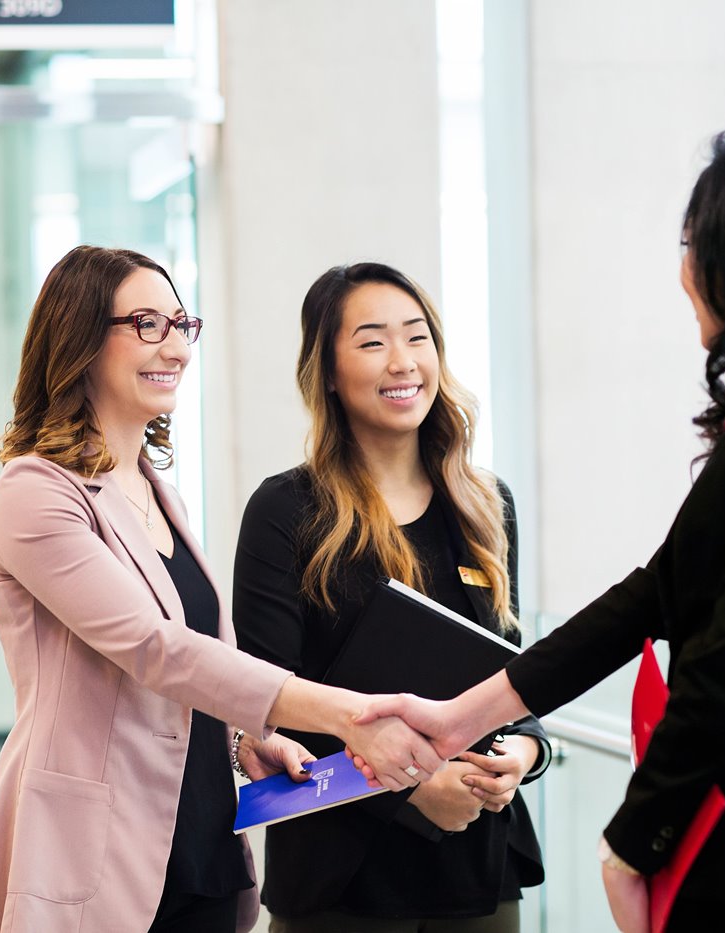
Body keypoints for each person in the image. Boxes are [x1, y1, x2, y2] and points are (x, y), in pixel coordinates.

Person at [356, 131, 725, 933]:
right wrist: (469, 713)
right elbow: (654, 593)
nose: (684, 273)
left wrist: (635, 838)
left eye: (693, 245)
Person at [0, 245, 445, 933]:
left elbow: (185, 665)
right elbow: (152, 647)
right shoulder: (35, 494)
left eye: (180, 324)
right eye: (146, 324)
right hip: (96, 850)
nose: (175, 347)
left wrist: (244, 742)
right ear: (77, 338)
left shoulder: (160, 494)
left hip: (199, 843)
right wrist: (346, 713)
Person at [232, 262, 551, 932]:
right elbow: (266, 704)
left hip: (478, 869)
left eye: (417, 337)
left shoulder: (485, 506)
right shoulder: (286, 511)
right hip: (344, 877)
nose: (402, 361)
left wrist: (522, 756)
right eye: (373, 341)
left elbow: (509, 676)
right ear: (327, 370)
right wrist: (406, 785)